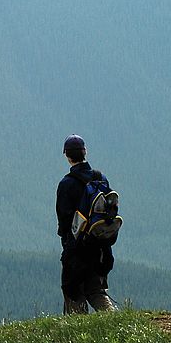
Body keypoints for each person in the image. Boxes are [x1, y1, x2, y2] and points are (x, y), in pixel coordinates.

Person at [56, 134, 118, 314]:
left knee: (73, 292)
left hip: (76, 250)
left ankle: (77, 331)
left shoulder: (66, 184)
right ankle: (115, 321)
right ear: (85, 153)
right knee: (96, 291)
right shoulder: (100, 178)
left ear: (67, 156)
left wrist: (68, 244)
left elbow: (64, 222)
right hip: (100, 247)